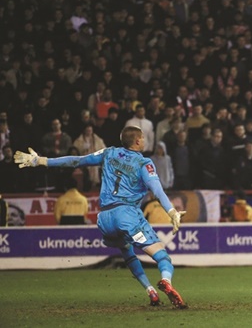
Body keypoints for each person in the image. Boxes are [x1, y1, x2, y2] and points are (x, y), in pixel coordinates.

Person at [13, 126, 188, 308]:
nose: (145, 141)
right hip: (126, 215)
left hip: (104, 218)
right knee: (162, 258)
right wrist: (172, 211)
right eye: (143, 138)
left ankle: (150, 291)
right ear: (137, 141)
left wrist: (41, 160)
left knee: (127, 250)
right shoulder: (144, 163)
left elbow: (77, 161)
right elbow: (157, 190)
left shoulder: (109, 153)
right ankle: (166, 281)